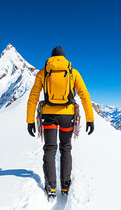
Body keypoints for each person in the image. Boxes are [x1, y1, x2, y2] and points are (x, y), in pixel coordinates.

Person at [26, 46, 94, 197]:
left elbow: (33, 97)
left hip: (48, 115)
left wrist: (30, 121)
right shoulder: (72, 72)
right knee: (66, 148)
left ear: (51, 57)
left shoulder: (43, 72)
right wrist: (90, 119)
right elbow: (84, 96)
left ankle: (50, 185)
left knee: (50, 148)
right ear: (64, 57)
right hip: (67, 116)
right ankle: (65, 185)